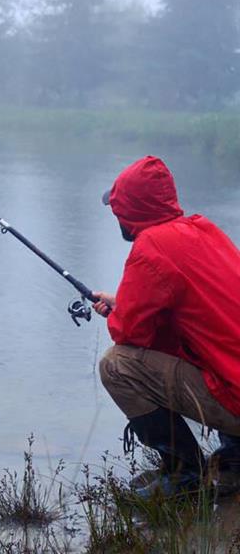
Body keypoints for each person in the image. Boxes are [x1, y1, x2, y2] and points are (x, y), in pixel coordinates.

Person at [94, 155, 240, 497]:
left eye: (117, 209)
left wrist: (119, 312)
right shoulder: (204, 230)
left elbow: (129, 334)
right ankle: (235, 455)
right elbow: (200, 313)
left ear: (128, 211)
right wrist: (124, 303)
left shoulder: (151, 248)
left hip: (235, 397)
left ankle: (185, 474)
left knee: (116, 365)